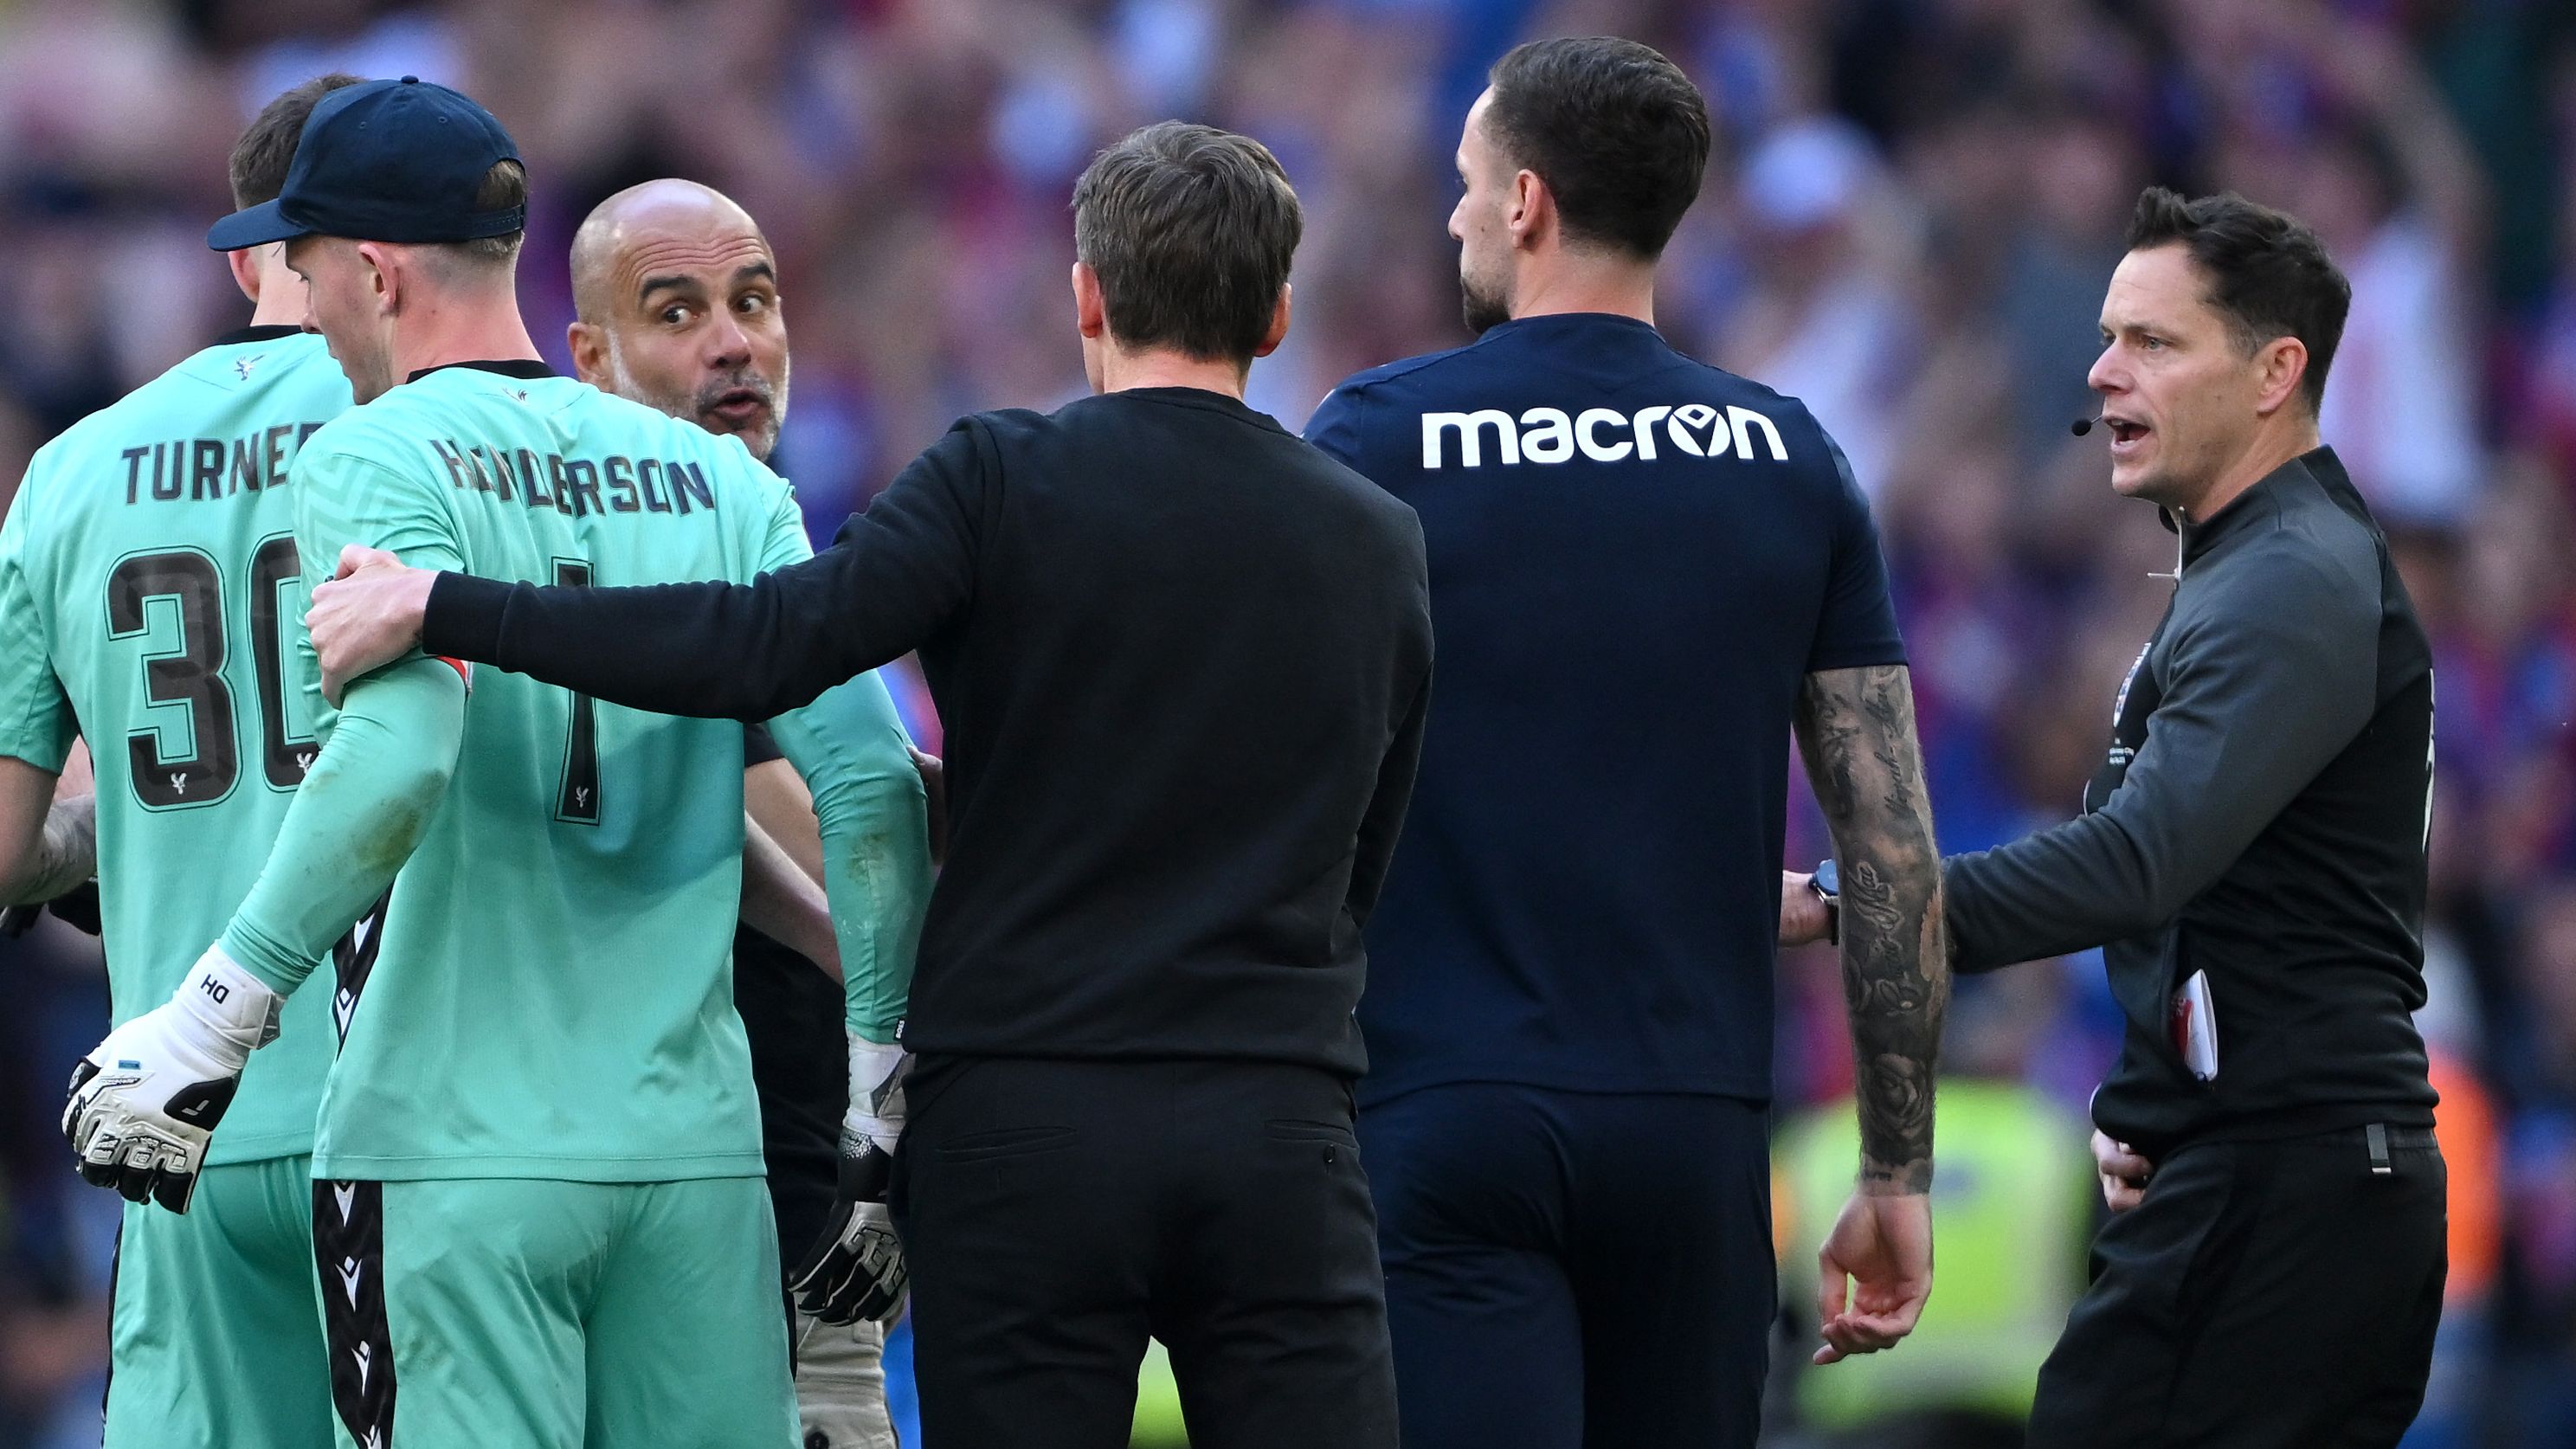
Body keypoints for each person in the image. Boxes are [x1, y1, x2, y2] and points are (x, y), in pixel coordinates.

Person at [304, 119, 1426, 1449]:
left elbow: (760, 640)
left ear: (1088, 295)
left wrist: (452, 605)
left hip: (1021, 1123)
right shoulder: (1378, 536)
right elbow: (1366, 846)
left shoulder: (998, 480)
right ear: (1282, 309)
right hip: (1276, 1121)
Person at [57, 77, 932, 1449]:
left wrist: (216, 1013)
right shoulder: (729, 486)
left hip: (446, 1151)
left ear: (372, 270)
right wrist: (880, 1075)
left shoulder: (376, 451)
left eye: (307, 264)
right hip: (693, 1160)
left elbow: (403, 749)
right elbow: (873, 789)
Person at [1301, 36, 1946, 1448]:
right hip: (1694, 1134)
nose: (1456, 213)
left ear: (1526, 202)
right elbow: (1891, 845)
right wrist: (1897, 1163)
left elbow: (1276, 773)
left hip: (1443, 1118)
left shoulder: (1378, 438)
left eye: (1468, 182)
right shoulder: (1790, 460)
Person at [1785, 188, 2445, 1447]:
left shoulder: (2292, 576)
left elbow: (2142, 859)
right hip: (2267, 1168)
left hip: (2287, 1186)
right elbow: (2235, 890)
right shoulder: (2259, 564)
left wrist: (1841, 900)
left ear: (2274, 372)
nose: (2102, 369)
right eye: (2107, 334)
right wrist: (2155, 1097)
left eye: (2154, 340)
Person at [0, 74, 364, 1449]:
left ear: (246, 242)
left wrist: (117, 834)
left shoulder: (75, 467)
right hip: (414, 1108)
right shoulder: (452, 432)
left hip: (181, 1123)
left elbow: (7, 849)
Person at [565, 175, 905, 1449]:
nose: (733, 343)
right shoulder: (682, 569)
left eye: (754, 302)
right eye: (679, 311)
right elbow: (834, 828)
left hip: (777, 1183)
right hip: (727, 1209)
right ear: (590, 358)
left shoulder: (761, 542)